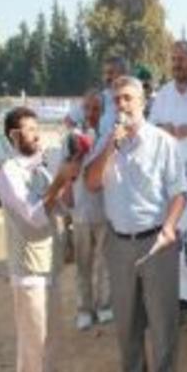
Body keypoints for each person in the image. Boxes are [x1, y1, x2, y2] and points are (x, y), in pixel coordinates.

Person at [85, 76, 187, 372]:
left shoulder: (163, 143)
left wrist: (170, 227)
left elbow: (179, 193)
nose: (122, 105)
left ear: (143, 103)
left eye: (128, 98)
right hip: (118, 242)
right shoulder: (108, 143)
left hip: (156, 241)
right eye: (117, 100)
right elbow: (91, 182)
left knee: (161, 321)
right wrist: (111, 148)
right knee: (126, 320)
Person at [0, 107, 81, 372]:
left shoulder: (41, 169)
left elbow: (65, 205)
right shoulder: (10, 173)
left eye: (37, 127)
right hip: (28, 270)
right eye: (28, 129)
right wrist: (59, 179)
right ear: (13, 136)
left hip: (50, 266)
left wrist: (68, 175)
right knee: (33, 340)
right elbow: (32, 217)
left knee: (52, 337)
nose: (36, 133)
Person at [66, 90, 113, 330]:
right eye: (87, 109)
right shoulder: (72, 138)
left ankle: (104, 306)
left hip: (105, 210)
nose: (91, 113)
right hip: (82, 211)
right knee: (83, 264)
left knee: (104, 263)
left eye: (96, 109)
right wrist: (78, 153)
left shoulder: (108, 138)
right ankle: (84, 309)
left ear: (103, 111)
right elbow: (68, 174)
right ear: (82, 110)